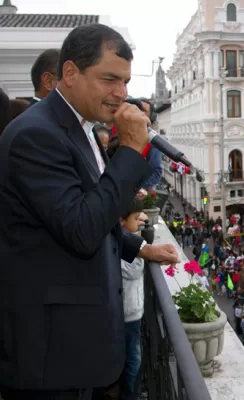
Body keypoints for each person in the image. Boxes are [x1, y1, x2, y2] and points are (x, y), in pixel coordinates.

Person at [0, 23, 180, 399]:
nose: (122, 94)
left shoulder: (79, 128)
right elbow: (81, 228)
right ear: (69, 73)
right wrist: (131, 151)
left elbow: (96, 209)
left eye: (126, 82)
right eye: (110, 79)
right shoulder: (35, 135)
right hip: (51, 356)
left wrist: (138, 248)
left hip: (78, 348)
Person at [119, 196, 146, 400]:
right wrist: (140, 243)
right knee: (132, 361)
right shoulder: (121, 245)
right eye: (136, 219)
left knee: (131, 358)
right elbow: (134, 270)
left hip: (131, 311)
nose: (139, 223)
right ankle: (129, 396)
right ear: (121, 221)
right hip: (128, 314)